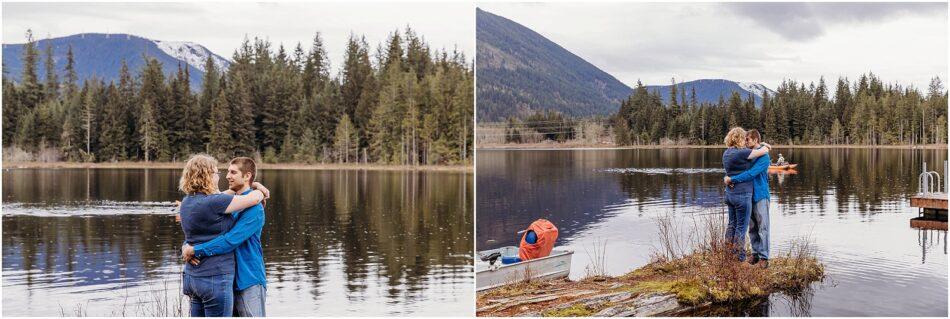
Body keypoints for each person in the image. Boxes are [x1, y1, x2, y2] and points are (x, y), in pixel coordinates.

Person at [177, 154, 268, 317]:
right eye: (225, 172)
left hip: (248, 279)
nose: (227, 176)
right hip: (225, 279)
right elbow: (206, 230)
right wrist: (186, 245)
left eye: (233, 172)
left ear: (247, 176)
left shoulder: (255, 209)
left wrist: (195, 250)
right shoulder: (225, 203)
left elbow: (230, 240)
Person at [721, 127, 770, 262]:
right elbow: (737, 168)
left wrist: (730, 179)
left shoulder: (763, 157)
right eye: (744, 139)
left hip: (760, 195)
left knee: (763, 227)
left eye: (748, 140)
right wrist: (728, 177)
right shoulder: (748, 153)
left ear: (755, 140)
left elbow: (750, 173)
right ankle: (754, 254)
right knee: (751, 227)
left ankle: (764, 258)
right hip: (746, 195)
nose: (746, 142)